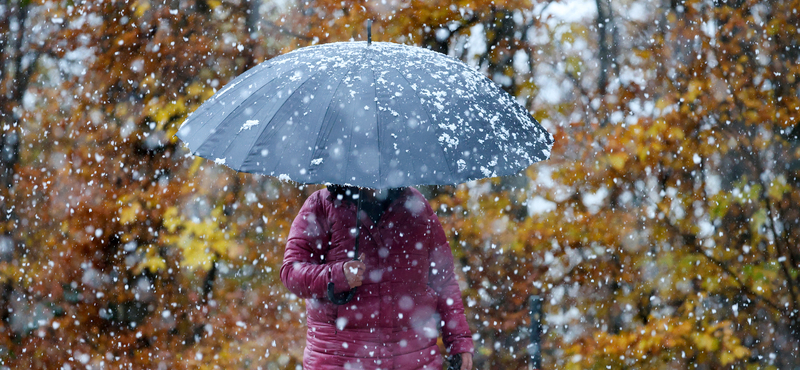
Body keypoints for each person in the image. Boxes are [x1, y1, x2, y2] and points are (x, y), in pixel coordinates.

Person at [280, 185, 474, 370]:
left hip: (414, 358)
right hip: (339, 358)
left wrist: (459, 341)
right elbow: (291, 272)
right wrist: (337, 275)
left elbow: (444, 280)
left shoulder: (417, 206)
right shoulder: (322, 205)